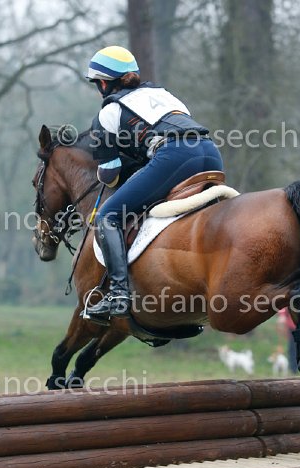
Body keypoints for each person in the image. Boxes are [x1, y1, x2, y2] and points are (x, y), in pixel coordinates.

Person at [84, 45, 223, 325]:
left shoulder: (109, 112)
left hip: (175, 156)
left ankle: (118, 295)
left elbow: (109, 173)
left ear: (103, 83)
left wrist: (109, 171)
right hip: (211, 152)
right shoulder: (163, 94)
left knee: (107, 217)